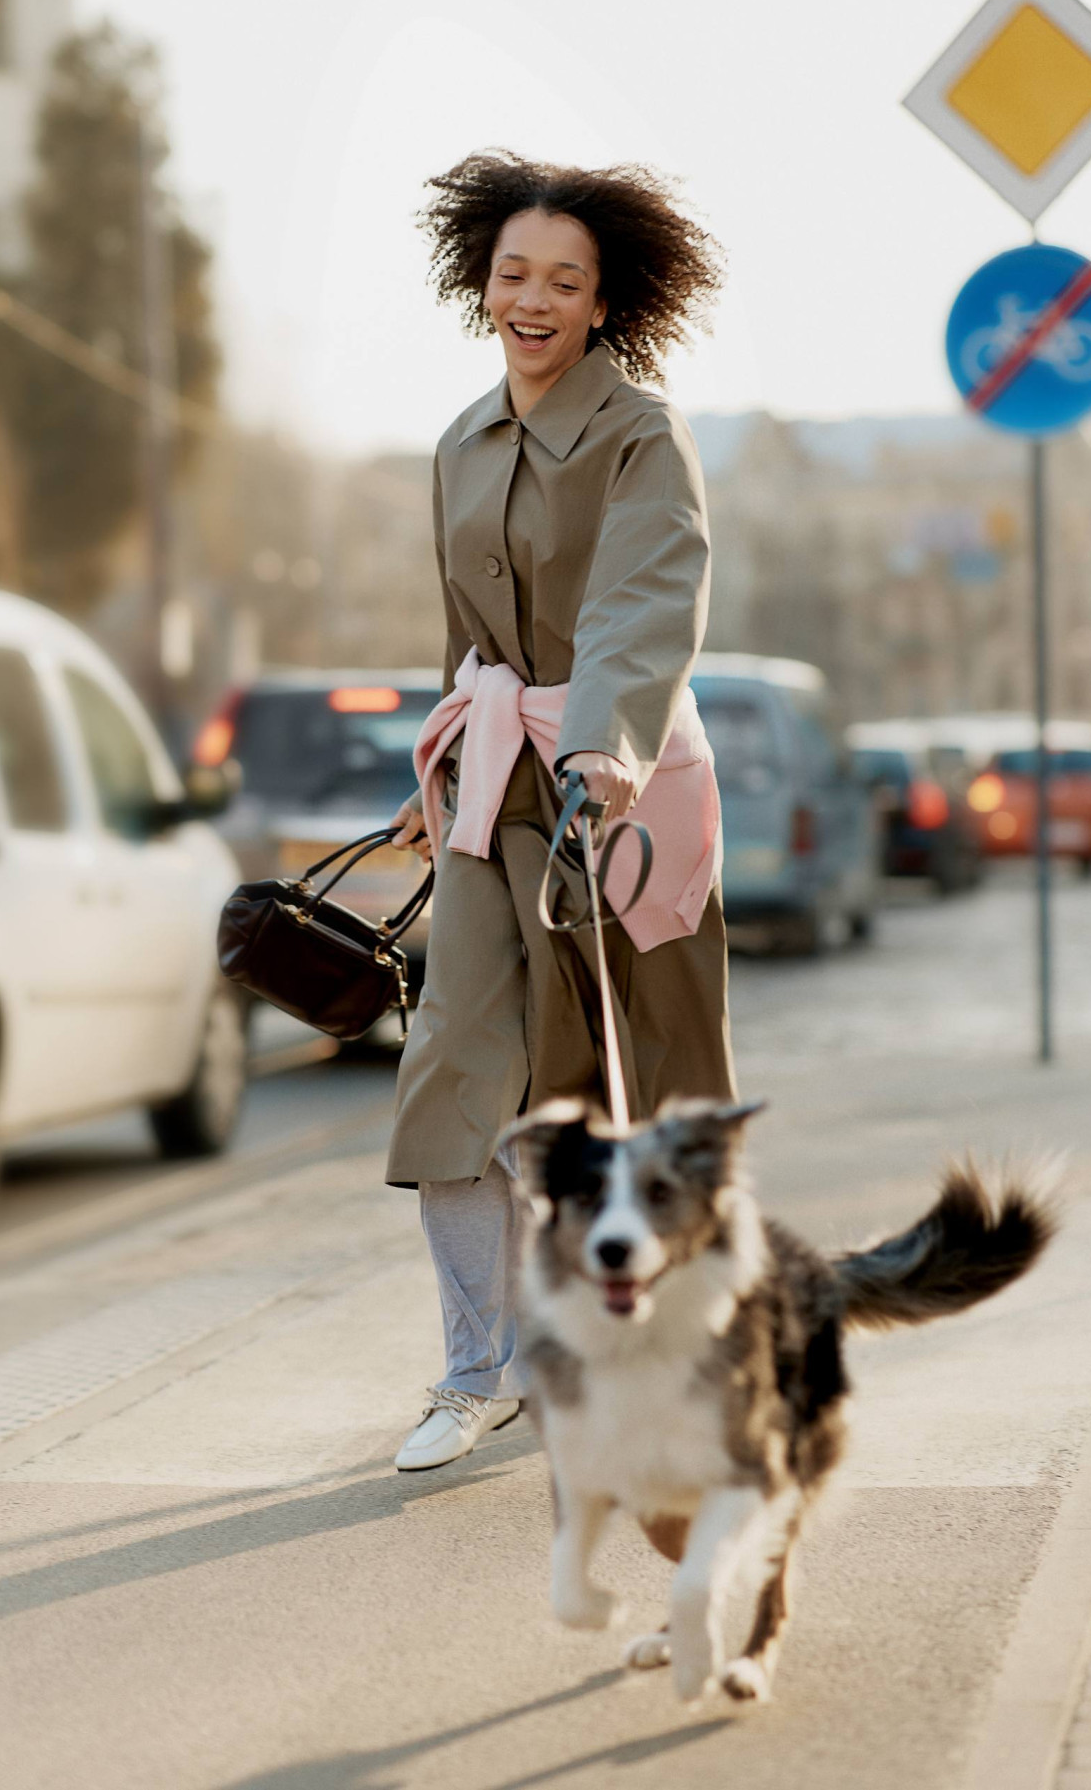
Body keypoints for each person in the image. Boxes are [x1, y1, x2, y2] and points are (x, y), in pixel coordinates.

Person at [387, 150, 737, 1471]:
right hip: (493, 793)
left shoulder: (641, 431)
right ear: (484, 282)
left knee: (640, 1086)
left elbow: (644, 598)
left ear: (604, 302)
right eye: (515, 273)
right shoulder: (458, 441)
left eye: (565, 281)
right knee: (454, 1081)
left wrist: (602, 749)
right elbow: (465, 639)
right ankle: (478, 1369)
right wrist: (434, 780)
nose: (533, 298)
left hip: (626, 790)